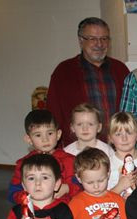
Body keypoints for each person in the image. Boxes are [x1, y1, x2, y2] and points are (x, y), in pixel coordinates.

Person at [47, 17, 129, 146]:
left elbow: (130, 110)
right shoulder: (64, 72)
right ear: (81, 41)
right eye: (92, 39)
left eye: (104, 38)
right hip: (79, 150)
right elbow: (54, 114)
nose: (99, 44)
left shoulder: (121, 70)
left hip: (117, 147)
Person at [8, 109, 81, 205]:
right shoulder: (24, 164)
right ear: (29, 139)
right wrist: (26, 199)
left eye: (50, 133)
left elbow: (84, 185)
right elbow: (13, 191)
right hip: (35, 212)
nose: (45, 139)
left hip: (65, 212)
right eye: (38, 135)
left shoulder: (70, 161)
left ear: (58, 134)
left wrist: (68, 188)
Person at [107, 111, 137, 198]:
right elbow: (101, 199)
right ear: (110, 138)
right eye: (118, 134)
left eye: (129, 133)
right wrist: (119, 187)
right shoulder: (107, 164)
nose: (124, 138)